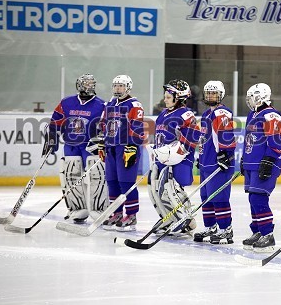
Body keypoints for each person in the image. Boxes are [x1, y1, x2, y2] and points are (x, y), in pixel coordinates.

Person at [42, 73, 107, 223]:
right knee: (71, 175)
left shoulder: (102, 105)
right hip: (71, 145)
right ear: (79, 85)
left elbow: (106, 126)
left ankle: (99, 208)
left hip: (90, 146)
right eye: (86, 84)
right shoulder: (66, 102)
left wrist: (102, 140)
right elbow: (55, 122)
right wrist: (52, 137)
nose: (89, 86)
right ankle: (77, 208)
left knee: (97, 176)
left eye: (92, 83)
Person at [148, 79, 200, 236]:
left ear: (179, 98)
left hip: (179, 161)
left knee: (171, 189)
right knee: (156, 189)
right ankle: (168, 218)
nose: (165, 99)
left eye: (168, 97)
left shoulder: (186, 115)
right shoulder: (163, 113)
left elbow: (193, 137)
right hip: (163, 159)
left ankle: (186, 220)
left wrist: (176, 152)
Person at [241, 83, 281, 253]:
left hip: (265, 164)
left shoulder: (271, 115)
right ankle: (258, 231)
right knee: (253, 198)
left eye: (252, 97)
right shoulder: (253, 114)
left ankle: (268, 235)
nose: (249, 101)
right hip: (253, 164)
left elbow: (277, 138)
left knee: (258, 199)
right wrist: (244, 158)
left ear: (260, 97)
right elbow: (249, 139)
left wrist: (270, 159)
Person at [100, 75, 145, 231]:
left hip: (126, 149)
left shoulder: (134, 105)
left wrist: (132, 146)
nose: (118, 88)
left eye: (121, 86)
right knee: (112, 181)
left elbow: (137, 127)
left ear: (128, 88)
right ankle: (116, 213)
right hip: (110, 148)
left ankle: (131, 215)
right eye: (116, 86)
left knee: (126, 182)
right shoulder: (109, 104)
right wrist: (101, 143)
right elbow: (103, 124)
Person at [193, 81, 236, 244]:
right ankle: (211, 227)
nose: (210, 96)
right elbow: (205, 139)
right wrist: (201, 157)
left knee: (219, 197)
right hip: (207, 162)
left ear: (221, 95)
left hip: (219, 163)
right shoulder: (205, 115)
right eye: (208, 93)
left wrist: (225, 154)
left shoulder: (222, 113)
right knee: (206, 197)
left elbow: (226, 135)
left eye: (214, 93)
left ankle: (226, 229)